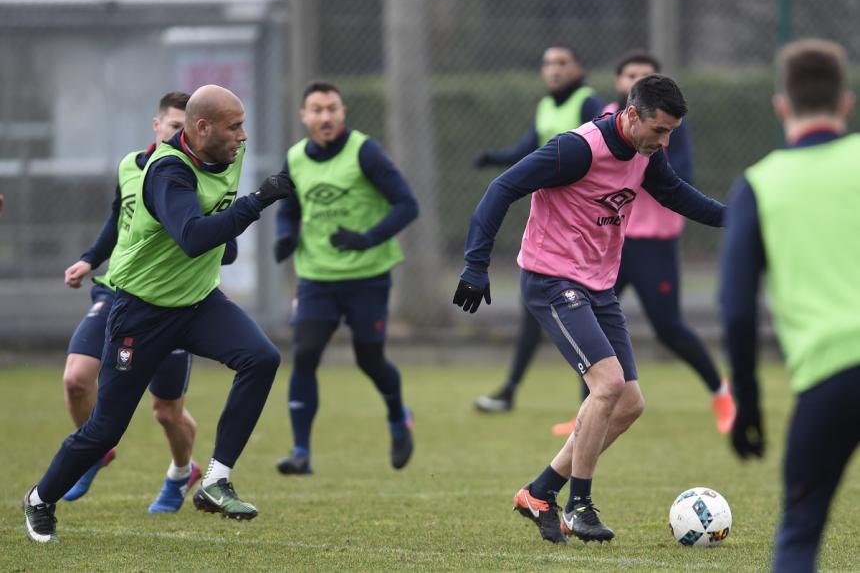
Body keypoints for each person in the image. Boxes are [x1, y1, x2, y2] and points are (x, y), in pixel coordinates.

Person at [453, 75, 724, 545]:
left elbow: (679, 195)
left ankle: (540, 492)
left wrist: (738, 216)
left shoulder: (646, 155)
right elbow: (501, 188)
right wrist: (476, 264)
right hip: (552, 280)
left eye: (671, 133)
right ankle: (579, 506)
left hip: (597, 287)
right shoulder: (577, 149)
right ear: (632, 114)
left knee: (630, 403)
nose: (665, 143)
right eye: (660, 131)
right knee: (609, 384)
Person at [23, 84, 294, 543]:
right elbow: (190, 236)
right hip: (141, 311)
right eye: (234, 127)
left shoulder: (229, 152)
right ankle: (40, 499)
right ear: (201, 128)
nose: (243, 136)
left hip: (197, 303)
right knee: (106, 430)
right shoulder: (166, 171)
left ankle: (214, 480)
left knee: (262, 358)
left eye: (243, 125)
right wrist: (258, 201)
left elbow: (215, 228)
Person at [720, 39, 860, 572]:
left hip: (827, 379)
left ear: (782, 106)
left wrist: (748, 405)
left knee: (800, 535)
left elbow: (736, 309)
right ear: (846, 102)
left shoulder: (758, 185)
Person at [551, 51, 734, 438]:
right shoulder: (607, 124)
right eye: (630, 73)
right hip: (609, 246)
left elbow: (679, 178)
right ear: (621, 83)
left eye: (644, 73)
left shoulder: (666, 124)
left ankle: (721, 393)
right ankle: (585, 414)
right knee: (591, 326)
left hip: (654, 243)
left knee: (668, 327)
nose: (635, 78)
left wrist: (645, 165)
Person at [60, 92, 210, 512]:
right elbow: (116, 218)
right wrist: (89, 259)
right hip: (117, 292)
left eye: (188, 126)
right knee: (76, 380)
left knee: (166, 411)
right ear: (156, 125)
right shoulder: (131, 166)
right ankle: (94, 451)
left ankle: (182, 472)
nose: (180, 133)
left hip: (170, 301)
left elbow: (220, 243)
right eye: (173, 124)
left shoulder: (197, 177)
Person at [273, 81, 419, 475]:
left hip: (367, 277)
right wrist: (285, 236)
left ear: (343, 112)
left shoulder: (364, 151)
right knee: (304, 354)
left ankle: (397, 417)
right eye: (316, 110)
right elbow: (287, 208)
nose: (325, 117)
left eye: (332, 109)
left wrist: (366, 239)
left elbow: (407, 205)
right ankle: (300, 452)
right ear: (304, 116)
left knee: (369, 358)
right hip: (316, 277)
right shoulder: (295, 158)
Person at [473, 45, 604, 414]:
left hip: (581, 223)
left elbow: (602, 151)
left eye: (562, 62)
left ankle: (599, 395)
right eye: (548, 63)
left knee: (599, 312)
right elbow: (528, 149)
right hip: (551, 221)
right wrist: (493, 159)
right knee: (532, 310)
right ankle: (511, 390)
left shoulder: (588, 103)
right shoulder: (546, 105)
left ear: (579, 67)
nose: (554, 70)